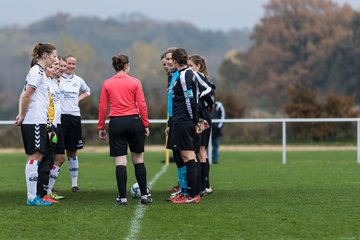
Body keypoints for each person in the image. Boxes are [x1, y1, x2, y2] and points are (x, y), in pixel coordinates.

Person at [98, 54, 152, 206]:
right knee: (138, 159)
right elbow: (142, 104)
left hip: (116, 122)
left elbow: (102, 107)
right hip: (134, 121)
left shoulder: (107, 83)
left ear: (114, 67)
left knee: (120, 161)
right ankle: (145, 196)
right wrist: (145, 124)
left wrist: (101, 126)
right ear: (127, 65)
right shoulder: (135, 82)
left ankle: (122, 198)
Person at [15, 42, 58, 206]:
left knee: (37, 156)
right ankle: (32, 197)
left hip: (39, 121)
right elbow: (26, 95)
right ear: (46, 55)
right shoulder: (37, 71)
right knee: (35, 156)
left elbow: (23, 94)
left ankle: (34, 196)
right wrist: (22, 115)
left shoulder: (39, 72)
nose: (55, 59)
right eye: (54, 55)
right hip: (34, 121)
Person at [170, 48, 201, 204]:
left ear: (175, 61)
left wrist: (193, 120)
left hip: (184, 121)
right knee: (188, 157)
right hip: (184, 120)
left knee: (189, 158)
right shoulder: (189, 74)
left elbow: (190, 100)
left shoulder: (184, 76)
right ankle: (190, 192)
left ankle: (193, 194)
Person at [60, 55, 91, 192]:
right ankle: (47, 186)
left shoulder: (78, 80)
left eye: (73, 63)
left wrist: (78, 99)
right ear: (63, 64)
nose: (71, 66)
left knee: (72, 151)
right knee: (57, 153)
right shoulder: (57, 78)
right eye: (69, 63)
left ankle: (74, 184)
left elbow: (87, 91)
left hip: (74, 117)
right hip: (60, 118)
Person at [188, 54, 215, 196]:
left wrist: (199, 98)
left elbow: (211, 88)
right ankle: (205, 185)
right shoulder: (193, 76)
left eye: (191, 65)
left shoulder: (197, 75)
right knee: (199, 151)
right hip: (201, 114)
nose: (189, 68)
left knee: (201, 151)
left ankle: (204, 185)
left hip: (202, 116)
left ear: (198, 66)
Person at [46, 57, 66, 200]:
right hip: (50, 125)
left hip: (58, 125)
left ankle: (49, 190)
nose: (58, 68)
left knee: (60, 158)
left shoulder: (55, 82)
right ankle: (43, 192)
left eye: (60, 66)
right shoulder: (45, 82)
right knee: (47, 159)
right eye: (56, 65)